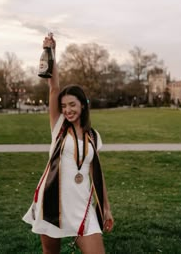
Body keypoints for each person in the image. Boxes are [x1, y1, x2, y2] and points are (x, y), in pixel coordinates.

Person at [23, 35, 114, 254]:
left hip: (82, 205)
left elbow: (97, 174)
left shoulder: (93, 136)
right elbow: (54, 88)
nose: (67, 110)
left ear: (83, 105)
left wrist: (106, 208)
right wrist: (51, 50)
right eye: (64, 106)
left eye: (72, 105)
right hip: (54, 201)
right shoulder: (60, 128)